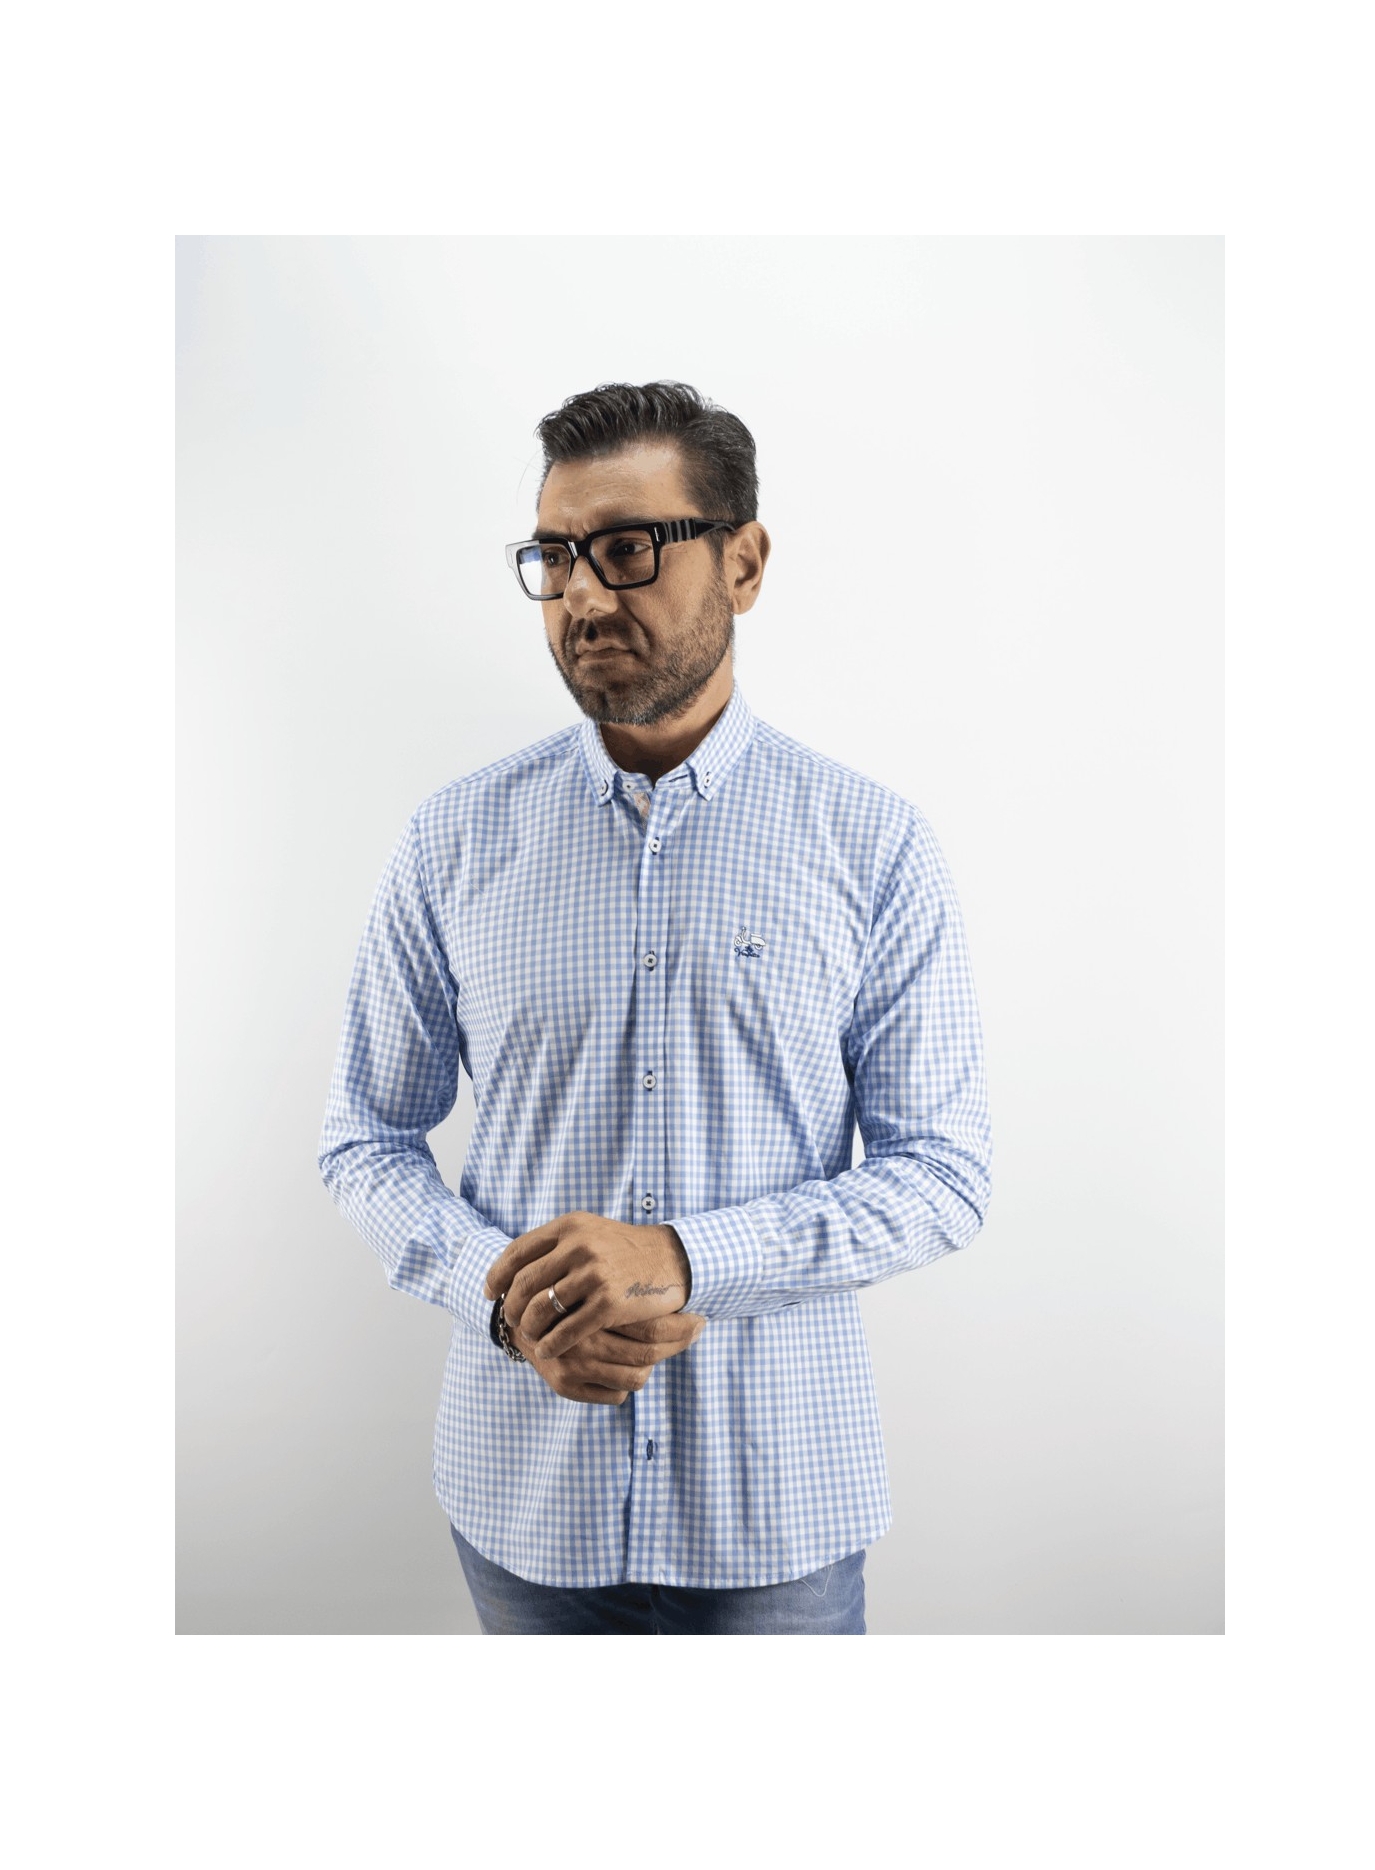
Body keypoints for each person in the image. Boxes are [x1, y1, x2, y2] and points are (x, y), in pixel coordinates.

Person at [318, 380, 992, 1634]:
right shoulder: (452, 843)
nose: (581, 596)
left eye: (627, 548)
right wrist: (503, 1301)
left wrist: (681, 1260)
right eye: (553, 556)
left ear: (742, 562)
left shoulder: (872, 847)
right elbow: (364, 1136)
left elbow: (942, 1174)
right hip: (524, 1503)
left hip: (774, 1511)